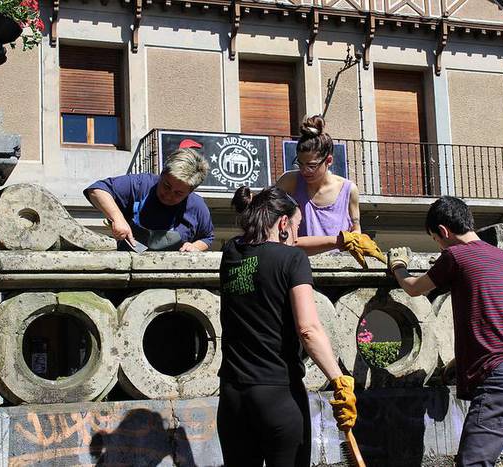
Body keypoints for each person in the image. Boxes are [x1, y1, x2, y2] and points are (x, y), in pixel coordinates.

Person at [387, 196, 503, 467]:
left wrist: (398, 266)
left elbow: (414, 288)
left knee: (472, 463)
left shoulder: (455, 255)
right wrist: (458, 362)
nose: (439, 246)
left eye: (435, 239)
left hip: (501, 382)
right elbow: (502, 321)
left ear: (443, 231)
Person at [218, 185, 357, 467]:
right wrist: (337, 379)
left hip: (233, 398)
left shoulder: (231, 252)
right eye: (296, 227)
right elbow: (308, 330)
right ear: (283, 223)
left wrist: (339, 241)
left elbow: (276, 247)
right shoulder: (293, 260)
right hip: (278, 396)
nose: (297, 236)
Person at [277, 115, 384, 267]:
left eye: (311, 165)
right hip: (298, 267)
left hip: (340, 268)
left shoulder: (349, 190)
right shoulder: (289, 182)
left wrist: (356, 238)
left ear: (329, 161)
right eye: (300, 164)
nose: (305, 171)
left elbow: (356, 230)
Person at [84, 148, 214, 252]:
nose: (169, 195)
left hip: (171, 272)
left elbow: (207, 237)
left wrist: (196, 246)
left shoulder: (198, 207)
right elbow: (97, 190)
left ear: (190, 191)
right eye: (166, 186)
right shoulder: (140, 184)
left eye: (178, 193)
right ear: (162, 174)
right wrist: (118, 218)